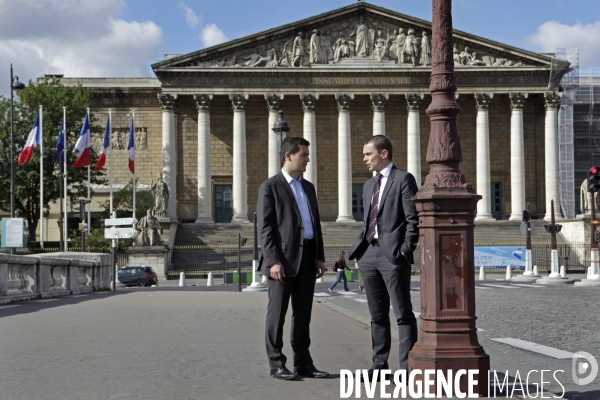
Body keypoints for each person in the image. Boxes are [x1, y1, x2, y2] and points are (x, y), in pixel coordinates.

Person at [348, 135, 419, 381]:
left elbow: (413, 220)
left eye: (368, 154)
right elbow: (368, 221)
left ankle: (407, 369)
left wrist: (405, 250)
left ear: (384, 153)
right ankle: (379, 367)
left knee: (402, 313)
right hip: (368, 253)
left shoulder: (404, 179)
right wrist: (360, 252)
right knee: (377, 314)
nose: (364, 159)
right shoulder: (368, 185)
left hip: (392, 255)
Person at [257, 136, 328, 380]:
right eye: (304, 155)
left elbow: (314, 224)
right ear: (289, 156)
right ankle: (276, 363)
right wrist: (273, 260)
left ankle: (304, 363)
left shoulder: (308, 187)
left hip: (307, 256)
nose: (307, 160)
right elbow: (265, 228)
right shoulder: (270, 186)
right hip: (282, 260)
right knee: (277, 315)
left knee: (303, 315)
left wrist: (319, 256)